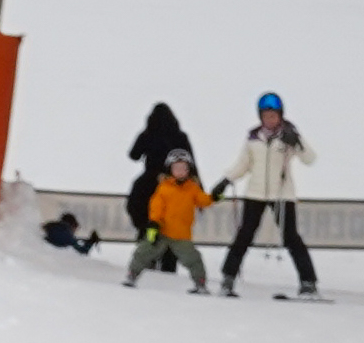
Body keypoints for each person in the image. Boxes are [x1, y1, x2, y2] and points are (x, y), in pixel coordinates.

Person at [217, 94, 318, 301]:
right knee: (244, 235)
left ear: (280, 116)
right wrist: (226, 180)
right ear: (260, 116)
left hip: (282, 195)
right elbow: (243, 164)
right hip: (255, 194)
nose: (270, 119)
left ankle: (308, 283)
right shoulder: (253, 138)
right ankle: (227, 279)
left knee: (291, 237)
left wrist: (297, 141)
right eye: (266, 116)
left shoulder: (289, 135)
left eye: (273, 116)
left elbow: (310, 159)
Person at [126, 149, 215, 293]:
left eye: (183, 168)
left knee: (193, 259)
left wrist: (214, 196)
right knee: (144, 251)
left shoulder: (193, 188)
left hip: (181, 234)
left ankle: (200, 283)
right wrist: (153, 223)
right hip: (162, 231)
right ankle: (132, 275)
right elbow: (156, 206)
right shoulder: (164, 188)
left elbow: (203, 200)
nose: (180, 172)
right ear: (170, 170)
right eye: (176, 168)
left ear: (189, 170)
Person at [124, 102, 195, 237]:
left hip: (149, 180)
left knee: (138, 204)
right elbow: (191, 162)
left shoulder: (147, 134)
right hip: (175, 181)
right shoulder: (180, 136)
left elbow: (134, 155)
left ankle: (145, 232)